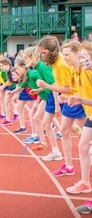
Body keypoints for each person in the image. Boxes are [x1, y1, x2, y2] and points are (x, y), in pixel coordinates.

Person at [36, 36, 86, 169]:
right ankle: (68, 165)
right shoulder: (56, 63)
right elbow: (63, 83)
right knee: (64, 130)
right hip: (70, 98)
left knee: (85, 135)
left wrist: (47, 86)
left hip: (78, 100)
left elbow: (69, 87)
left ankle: (81, 162)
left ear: (52, 51)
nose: (41, 56)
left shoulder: (61, 64)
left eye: (44, 53)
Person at [65, 41, 92, 211]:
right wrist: (77, 97)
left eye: (84, 57)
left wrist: (81, 100)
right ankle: (85, 182)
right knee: (83, 146)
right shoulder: (80, 71)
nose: (82, 60)